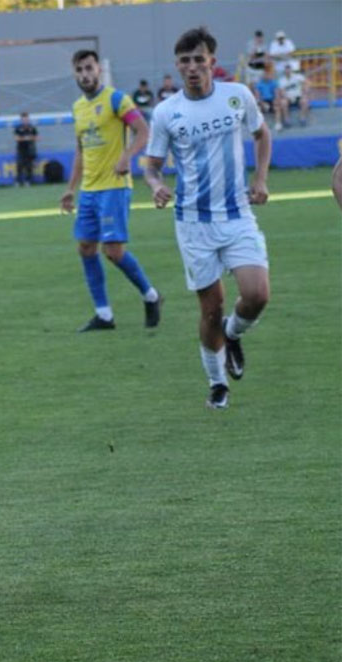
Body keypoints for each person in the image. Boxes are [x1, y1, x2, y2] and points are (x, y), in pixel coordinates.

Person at [143, 27, 272, 410]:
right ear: (178, 66)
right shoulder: (167, 112)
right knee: (211, 308)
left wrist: (260, 178)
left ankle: (233, 334)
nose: (193, 67)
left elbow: (262, 135)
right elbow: (151, 167)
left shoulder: (237, 96)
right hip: (194, 223)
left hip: (237, 214)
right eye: (185, 61)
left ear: (212, 62)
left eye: (199, 59)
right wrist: (155, 186)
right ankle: (217, 383)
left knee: (257, 294)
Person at [60, 49, 162, 332]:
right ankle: (104, 315)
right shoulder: (78, 107)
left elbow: (144, 131)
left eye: (89, 68)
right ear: (75, 73)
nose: (85, 74)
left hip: (114, 187)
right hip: (89, 190)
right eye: (79, 70)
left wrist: (127, 156)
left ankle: (151, 296)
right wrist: (71, 189)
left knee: (114, 252)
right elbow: (80, 151)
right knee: (86, 247)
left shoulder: (116, 99)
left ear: (99, 70)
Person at [277, 63, 309, 128]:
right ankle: (287, 120)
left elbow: (306, 82)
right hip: (288, 98)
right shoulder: (281, 80)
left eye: (289, 70)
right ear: (284, 71)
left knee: (304, 100)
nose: (288, 71)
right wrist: (286, 96)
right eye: (286, 70)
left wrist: (304, 92)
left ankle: (302, 118)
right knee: (283, 102)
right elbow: (281, 91)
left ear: (291, 70)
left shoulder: (298, 77)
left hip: (298, 96)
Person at [13, 111, 37, 187]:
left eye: (27, 119)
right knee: (19, 166)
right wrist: (26, 138)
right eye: (24, 119)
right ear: (21, 120)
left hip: (30, 150)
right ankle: (18, 181)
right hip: (21, 149)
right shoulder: (18, 128)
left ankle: (28, 181)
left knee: (29, 166)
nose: (25, 121)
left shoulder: (32, 128)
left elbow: (37, 137)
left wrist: (29, 138)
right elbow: (17, 138)